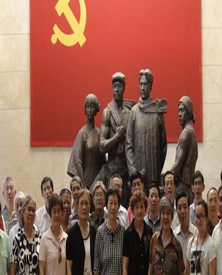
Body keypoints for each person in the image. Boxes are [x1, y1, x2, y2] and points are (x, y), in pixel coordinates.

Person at [96, 72, 135, 206]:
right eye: (115, 86)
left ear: (124, 88)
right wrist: (117, 137)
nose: (117, 89)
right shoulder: (107, 112)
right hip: (112, 172)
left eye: (119, 86)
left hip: (126, 172)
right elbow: (102, 146)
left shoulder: (130, 113)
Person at [126, 68, 167, 189]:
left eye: (146, 84)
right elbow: (128, 143)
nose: (143, 88)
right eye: (141, 84)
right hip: (137, 175)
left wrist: (157, 168)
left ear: (151, 86)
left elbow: (163, 146)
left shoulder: (157, 112)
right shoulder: (134, 111)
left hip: (153, 172)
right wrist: (134, 171)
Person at [68, 94, 105, 189]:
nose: (89, 110)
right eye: (87, 107)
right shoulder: (82, 133)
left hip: (97, 185)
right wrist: (83, 185)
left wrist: (99, 181)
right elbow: (77, 160)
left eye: (92, 107)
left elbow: (103, 162)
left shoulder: (99, 133)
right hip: (85, 184)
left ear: (96, 109)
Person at [171, 96, 198, 202]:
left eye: (182, 110)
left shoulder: (186, 133)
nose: (179, 114)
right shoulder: (191, 131)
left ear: (189, 112)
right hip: (188, 187)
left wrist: (167, 179)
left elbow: (177, 164)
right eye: (178, 111)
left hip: (183, 187)